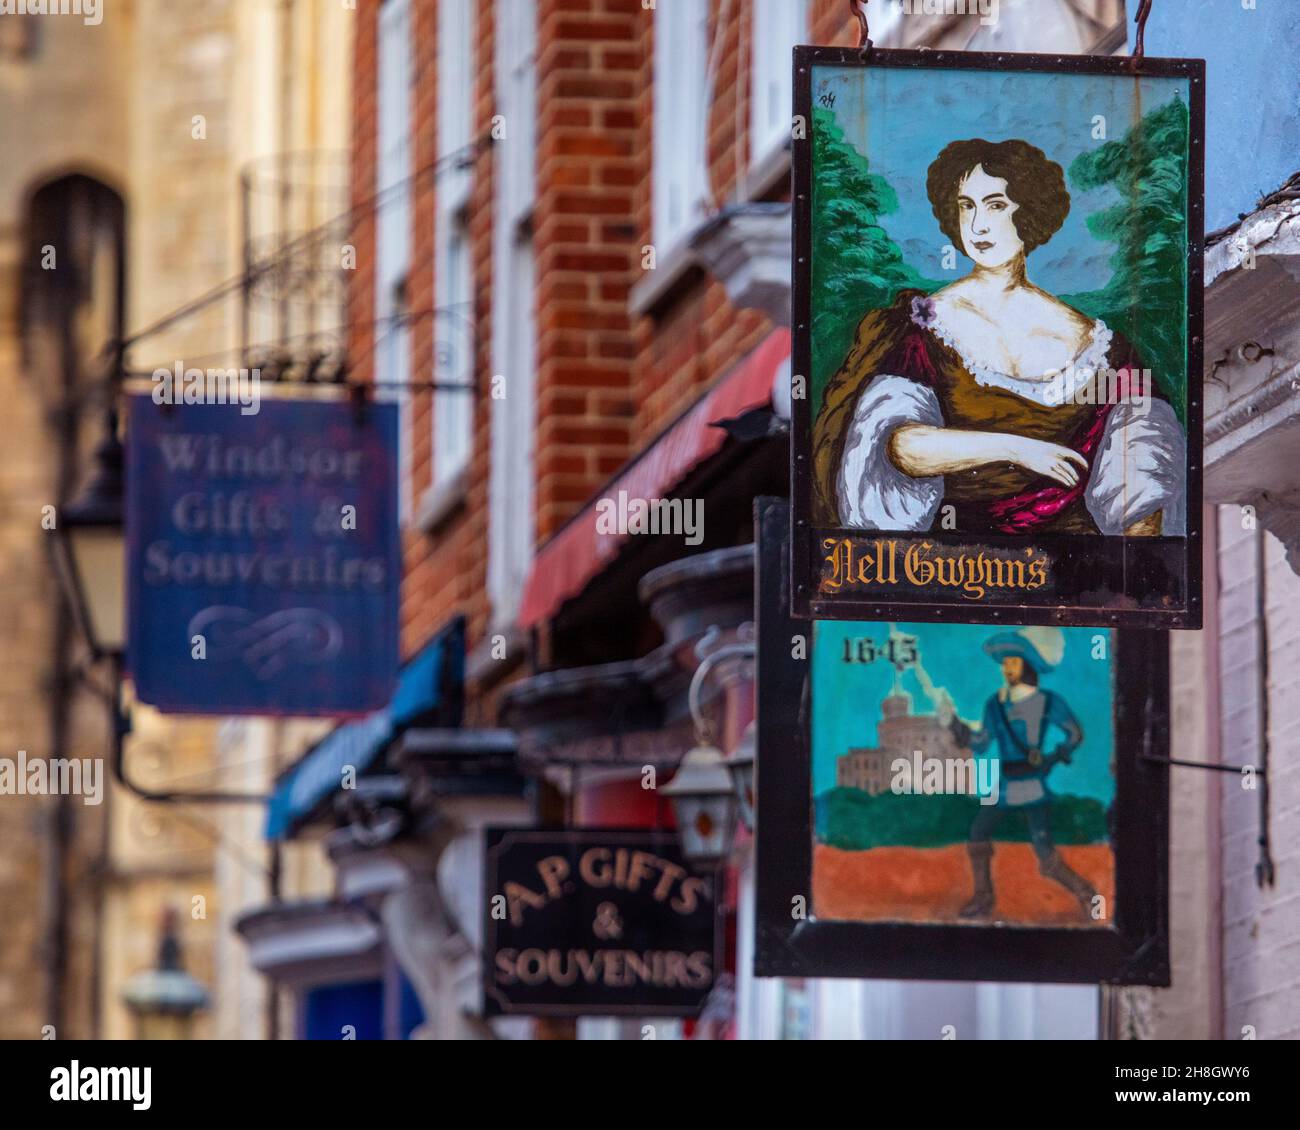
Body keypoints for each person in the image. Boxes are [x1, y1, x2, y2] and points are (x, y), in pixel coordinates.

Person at [813, 137, 1186, 536]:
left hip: (1079, 575)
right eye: (965, 206)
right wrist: (1017, 448)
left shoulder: (1100, 346)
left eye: (995, 205)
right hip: (955, 567)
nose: (977, 226)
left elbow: (1145, 472)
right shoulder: (927, 325)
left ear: (1029, 211)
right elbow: (899, 445)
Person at [947, 626, 1097, 921]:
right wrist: (959, 730)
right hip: (1004, 785)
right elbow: (981, 744)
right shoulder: (994, 704)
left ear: (1027, 665)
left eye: (1013, 662)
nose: (1007, 668)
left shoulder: (1048, 701)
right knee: (978, 833)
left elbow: (1074, 733)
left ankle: (1087, 894)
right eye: (1005, 663)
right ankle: (983, 897)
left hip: (1033, 784)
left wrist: (1054, 757)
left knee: (1046, 857)